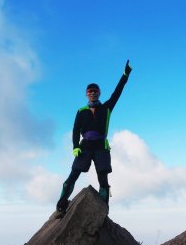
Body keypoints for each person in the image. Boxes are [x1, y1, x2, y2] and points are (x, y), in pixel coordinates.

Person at [55, 60, 133, 216]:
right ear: (86, 94)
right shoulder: (81, 111)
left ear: (99, 93)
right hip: (84, 147)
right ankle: (61, 206)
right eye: (90, 91)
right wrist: (75, 146)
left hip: (101, 146)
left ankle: (103, 210)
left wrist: (125, 75)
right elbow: (76, 130)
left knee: (103, 179)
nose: (93, 93)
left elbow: (118, 91)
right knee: (73, 175)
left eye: (95, 91)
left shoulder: (106, 108)